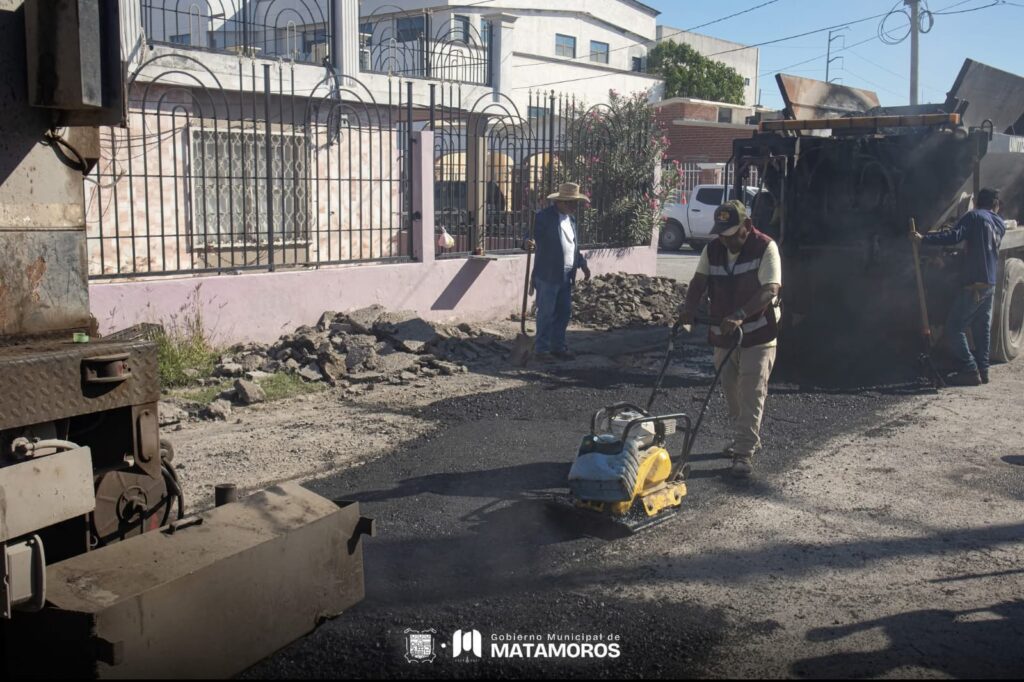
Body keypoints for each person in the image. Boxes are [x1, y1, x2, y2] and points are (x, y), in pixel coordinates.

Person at [678, 200, 782, 477]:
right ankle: (744, 436)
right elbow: (698, 282)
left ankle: (744, 452)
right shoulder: (712, 250)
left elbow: (770, 289)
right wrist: (689, 309)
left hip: (758, 333)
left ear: (746, 227)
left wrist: (740, 314)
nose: (726, 240)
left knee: (751, 391)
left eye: (731, 234)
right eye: (721, 234)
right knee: (731, 390)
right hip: (724, 334)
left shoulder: (765, 247)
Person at [912, 187, 1006, 386]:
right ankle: (983, 370)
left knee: (954, 329)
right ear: (995, 205)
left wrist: (923, 240)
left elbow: (954, 236)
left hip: (973, 285)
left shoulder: (973, 217)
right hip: (989, 284)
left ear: (977, 202)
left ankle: (970, 370)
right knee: (982, 330)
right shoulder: (999, 223)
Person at [524, 182, 592, 362]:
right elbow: (528, 236)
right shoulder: (543, 218)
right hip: (548, 273)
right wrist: (527, 243)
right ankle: (541, 350)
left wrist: (582, 264)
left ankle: (558, 346)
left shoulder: (571, 220)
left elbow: (573, 246)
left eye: (575, 203)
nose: (574, 206)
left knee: (563, 312)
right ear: (560, 202)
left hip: (567, 274)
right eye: (571, 203)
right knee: (546, 312)